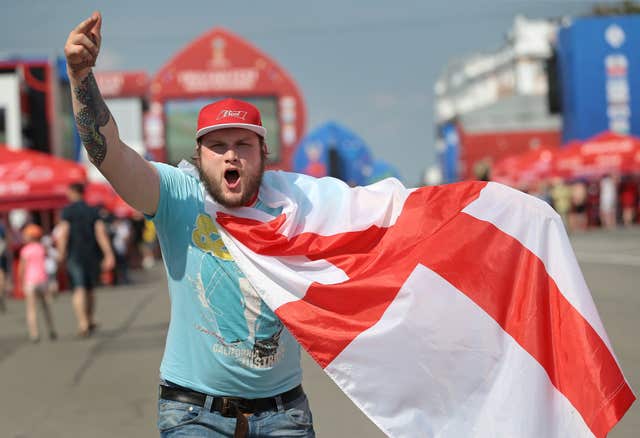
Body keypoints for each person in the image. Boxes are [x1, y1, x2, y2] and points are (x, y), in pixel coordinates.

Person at [65, 12, 314, 437]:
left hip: (284, 413)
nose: (231, 155)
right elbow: (110, 154)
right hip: (194, 413)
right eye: (218, 146)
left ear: (263, 152)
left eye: (242, 144)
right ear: (200, 158)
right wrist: (80, 76)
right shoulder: (179, 194)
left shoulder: (299, 202)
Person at [57, 183, 115, 337]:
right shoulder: (93, 211)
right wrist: (108, 253)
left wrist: (61, 253)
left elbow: (64, 232)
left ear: (72, 192)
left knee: (79, 287)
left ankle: (82, 322)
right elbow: (100, 232)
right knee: (89, 288)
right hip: (92, 254)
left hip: (74, 254)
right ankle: (89, 319)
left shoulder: (67, 211)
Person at [18, 224, 58, 342]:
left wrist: (20, 282)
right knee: (45, 306)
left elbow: (22, 268)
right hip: (42, 279)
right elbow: (51, 258)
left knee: (31, 308)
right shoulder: (42, 248)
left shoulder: (25, 250)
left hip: (30, 281)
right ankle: (51, 329)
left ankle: (34, 333)